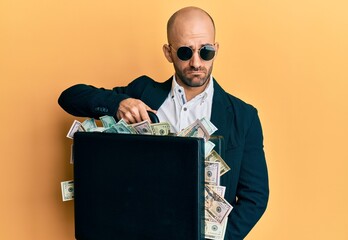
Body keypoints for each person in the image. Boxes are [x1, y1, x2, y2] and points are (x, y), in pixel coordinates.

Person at [58, 6, 269, 239]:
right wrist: (117, 103)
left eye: (205, 51)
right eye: (185, 52)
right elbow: (69, 97)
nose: (196, 62)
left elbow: (255, 197)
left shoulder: (244, 116)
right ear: (169, 52)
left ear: (216, 49)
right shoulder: (143, 92)